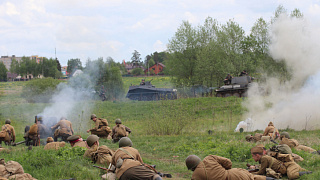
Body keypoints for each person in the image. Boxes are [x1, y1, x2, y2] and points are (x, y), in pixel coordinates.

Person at [186, 154, 268, 180]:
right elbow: (228, 162)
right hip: (236, 172)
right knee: (253, 178)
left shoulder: (195, 176)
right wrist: (224, 170)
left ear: (192, 168)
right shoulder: (209, 158)